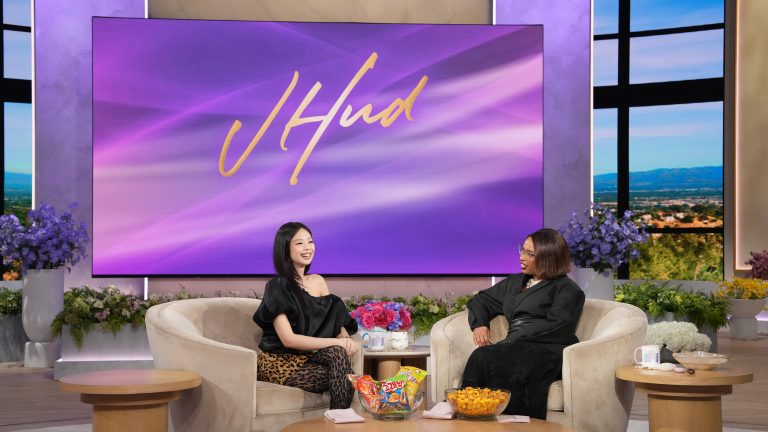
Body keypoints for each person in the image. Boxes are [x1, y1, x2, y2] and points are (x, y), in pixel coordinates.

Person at [460, 228, 585, 419]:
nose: (522, 257)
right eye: (522, 250)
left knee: (488, 356)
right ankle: (467, 411)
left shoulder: (568, 290)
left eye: (530, 254)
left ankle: (503, 419)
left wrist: (513, 340)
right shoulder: (516, 282)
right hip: (513, 345)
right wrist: (480, 324)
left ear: (548, 257)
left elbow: (557, 326)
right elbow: (481, 300)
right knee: (485, 356)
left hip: (546, 349)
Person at [253, 222, 361, 409]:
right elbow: (289, 340)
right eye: (299, 243)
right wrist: (338, 343)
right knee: (345, 376)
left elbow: (333, 321)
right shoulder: (277, 286)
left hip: (310, 357)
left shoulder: (318, 281)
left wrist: (346, 340)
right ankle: (341, 418)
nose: (307, 248)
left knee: (339, 357)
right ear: (285, 249)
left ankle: (339, 418)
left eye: (310, 242)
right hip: (280, 362)